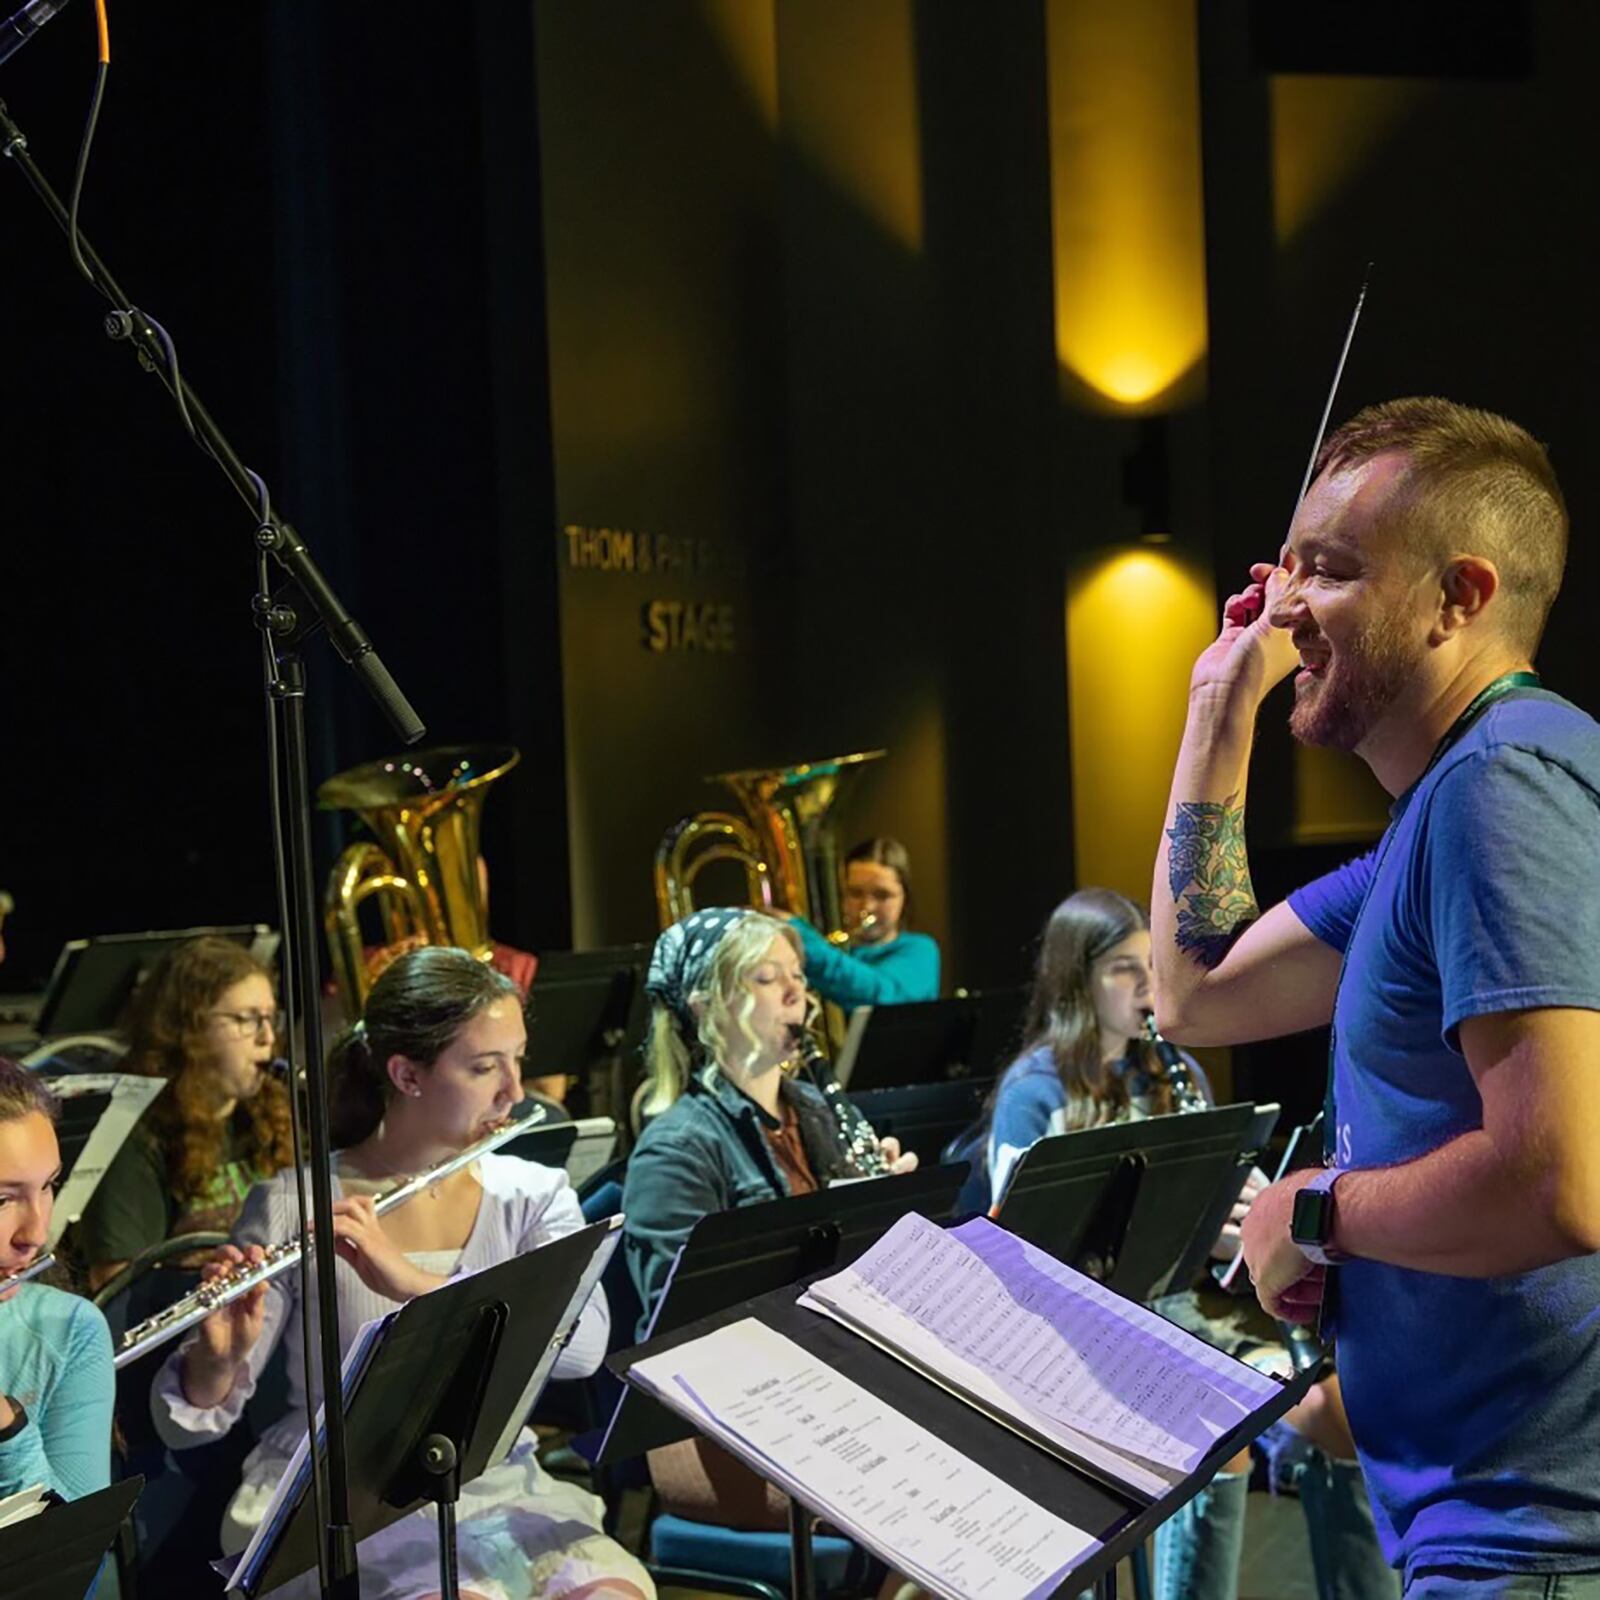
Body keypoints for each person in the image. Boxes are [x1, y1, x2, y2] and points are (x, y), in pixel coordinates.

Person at [1152, 397, 1600, 1596]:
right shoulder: (1442, 814)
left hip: (1531, 1543)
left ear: (1459, 595)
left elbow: (1559, 1179)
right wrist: (1215, 705)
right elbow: (1192, 993)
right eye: (1283, 564)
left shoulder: (1504, 787)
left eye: (1329, 569)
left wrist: (1313, 1209)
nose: (1283, 604)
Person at [150, 947, 652, 1600]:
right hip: (347, 1494)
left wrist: (410, 1285)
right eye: (484, 1067)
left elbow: (579, 1351)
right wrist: (216, 1363)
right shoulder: (295, 1203)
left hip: (491, 1479)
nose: (515, 1091)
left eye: (517, 1059)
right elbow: (187, 1421)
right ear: (407, 1075)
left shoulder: (532, 1193)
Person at [963, 890, 1391, 1599]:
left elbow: (1207, 1225)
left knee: (1340, 1413)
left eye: (1151, 966)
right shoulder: (1033, 1092)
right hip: (1085, 1331)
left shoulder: (1170, 1071)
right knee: (1216, 1452)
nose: (1147, 986)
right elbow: (1023, 1251)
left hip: (1188, 1311)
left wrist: (1235, 1228)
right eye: (1124, 970)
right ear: (1077, 981)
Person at [622, 907, 916, 1528]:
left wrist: (887, 1217)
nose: (797, 994)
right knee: (931, 1502)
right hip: (728, 1423)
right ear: (705, 1008)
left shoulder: (820, 1112)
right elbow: (678, 1333)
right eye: (764, 977)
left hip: (842, 1390)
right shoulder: (677, 1147)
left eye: (798, 976)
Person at [74, 935, 292, 1291]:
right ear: (191, 1029)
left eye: (270, 1018)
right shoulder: (137, 1133)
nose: (268, 1037)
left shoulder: (272, 1111)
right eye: (247, 1020)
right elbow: (117, 1287)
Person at [0, 1057, 114, 1502]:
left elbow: (75, 1563)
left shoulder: (70, 1330)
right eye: (3, 1199)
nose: (36, 1234)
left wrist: (8, 1428)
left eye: (48, 1186)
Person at [784, 838, 940, 1008]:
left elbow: (883, 994)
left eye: (882, 895)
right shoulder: (829, 946)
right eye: (855, 893)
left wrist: (796, 933)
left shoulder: (920, 949)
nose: (867, 907)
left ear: (905, 898)